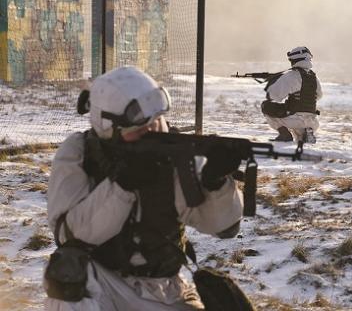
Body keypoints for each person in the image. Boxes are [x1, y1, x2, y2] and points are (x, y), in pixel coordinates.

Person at [45, 66, 245, 310]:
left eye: (156, 122)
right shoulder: (80, 152)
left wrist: (216, 183)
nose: (152, 131)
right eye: (139, 129)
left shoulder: (176, 153)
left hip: (166, 289)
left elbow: (223, 227)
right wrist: (121, 188)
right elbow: (69, 237)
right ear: (109, 128)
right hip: (104, 283)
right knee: (66, 273)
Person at [260, 46, 323, 143]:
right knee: (301, 142)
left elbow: (273, 95)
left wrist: (273, 82)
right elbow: (319, 96)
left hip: (293, 119)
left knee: (266, 106)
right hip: (312, 120)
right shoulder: (314, 77)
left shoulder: (291, 75)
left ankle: (284, 134)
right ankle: (306, 133)